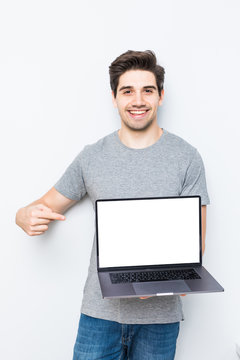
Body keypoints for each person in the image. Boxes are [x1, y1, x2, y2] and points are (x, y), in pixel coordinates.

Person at [15, 50, 210, 360]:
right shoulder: (92, 157)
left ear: (160, 96)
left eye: (147, 90)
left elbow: (196, 243)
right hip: (99, 314)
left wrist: (178, 276)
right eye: (127, 91)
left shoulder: (186, 157)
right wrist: (22, 215)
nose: (137, 100)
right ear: (114, 97)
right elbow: (44, 204)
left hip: (159, 320)